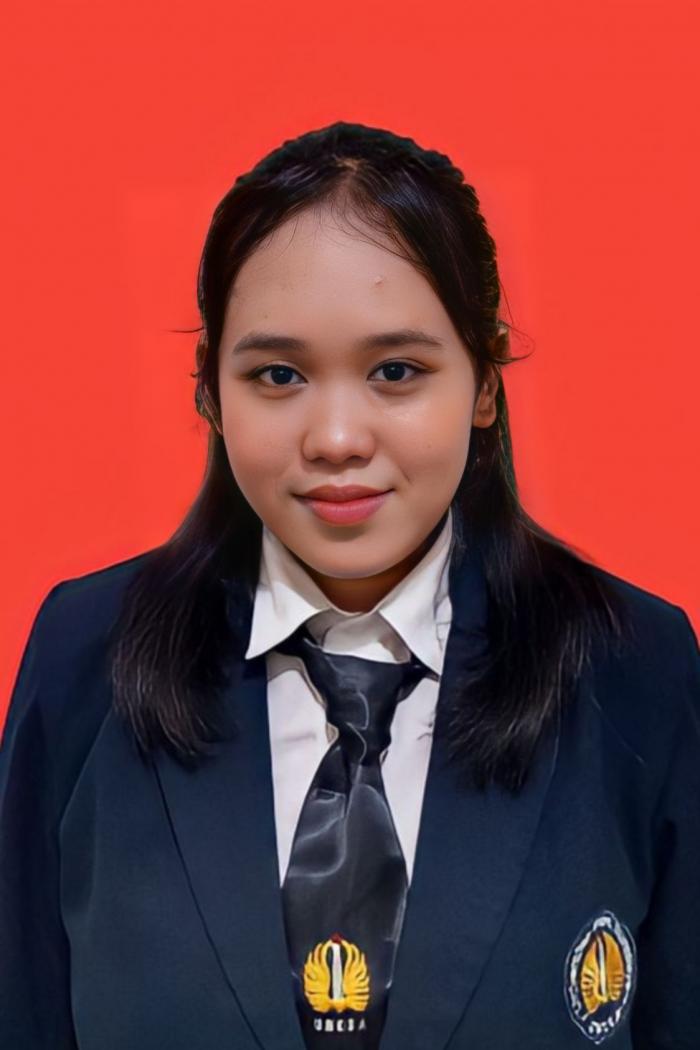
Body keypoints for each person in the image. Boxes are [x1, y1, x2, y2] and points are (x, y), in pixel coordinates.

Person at [1, 121, 698, 1050]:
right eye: (278, 374)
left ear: (485, 382)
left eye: (396, 371)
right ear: (209, 389)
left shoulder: (637, 669)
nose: (336, 439)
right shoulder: (85, 657)